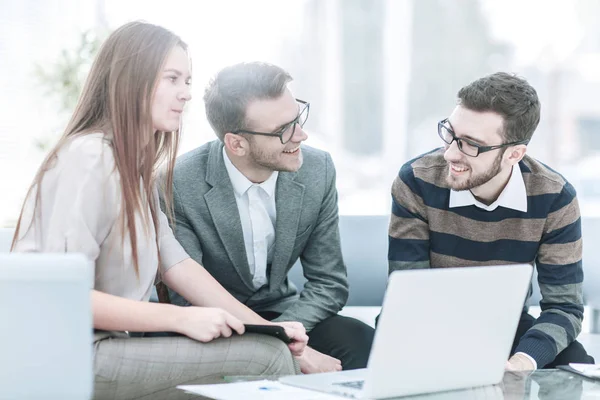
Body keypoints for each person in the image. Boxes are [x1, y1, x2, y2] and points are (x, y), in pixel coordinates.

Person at [11, 22, 307, 400]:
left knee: (270, 347)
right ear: (130, 80)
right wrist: (182, 318)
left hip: (102, 346)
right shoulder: (89, 158)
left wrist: (265, 326)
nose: (185, 93)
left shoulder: (134, 168)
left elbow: (177, 266)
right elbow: (64, 298)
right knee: (264, 360)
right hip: (61, 355)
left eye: (187, 80)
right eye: (172, 78)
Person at [160, 61, 375, 373]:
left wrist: (285, 334)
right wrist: (277, 343)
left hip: (288, 313)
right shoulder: (178, 183)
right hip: (210, 323)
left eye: (297, 118)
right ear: (236, 143)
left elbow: (329, 282)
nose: (300, 135)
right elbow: (187, 300)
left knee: (359, 340)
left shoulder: (318, 170)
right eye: (282, 131)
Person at [387, 72, 594, 371]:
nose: (450, 153)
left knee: (573, 360)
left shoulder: (554, 197)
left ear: (515, 154)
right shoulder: (417, 180)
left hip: (506, 328)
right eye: (450, 134)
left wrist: (522, 362)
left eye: (471, 145)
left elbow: (564, 307)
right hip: (423, 323)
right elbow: (407, 294)